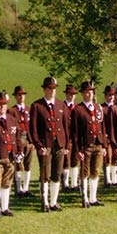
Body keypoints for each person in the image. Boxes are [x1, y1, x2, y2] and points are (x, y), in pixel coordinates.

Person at [29, 76, 69, 212]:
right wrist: (39, 146)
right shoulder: (37, 106)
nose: (52, 91)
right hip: (46, 145)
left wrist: (66, 145)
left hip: (59, 144)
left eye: (54, 88)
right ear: (44, 89)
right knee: (44, 174)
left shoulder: (60, 105)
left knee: (57, 174)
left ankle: (53, 202)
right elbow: (33, 128)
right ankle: (44, 202)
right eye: (49, 88)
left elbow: (65, 126)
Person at [69, 81, 108, 207]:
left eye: (91, 91)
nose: (89, 94)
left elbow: (103, 127)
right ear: (82, 93)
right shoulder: (78, 110)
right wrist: (78, 149)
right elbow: (74, 132)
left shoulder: (98, 108)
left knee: (95, 171)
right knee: (84, 172)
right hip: (85, 145)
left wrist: (105, 145)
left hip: (98, 144)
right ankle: (84, 197)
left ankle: (93, 198)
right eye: (86, 92)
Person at [8, 86, 34, 197]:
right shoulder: (12, 111)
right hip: (17, 139)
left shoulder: (29, 110)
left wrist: (33, 141)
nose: (21, 97)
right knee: (18, 164)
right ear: (15, 96)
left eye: (22, 95)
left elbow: (33, 125)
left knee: (28, 164)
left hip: (28, 139)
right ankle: (18, 189)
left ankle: (26, 188)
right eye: (19, 95)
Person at [62, 84, 79, 191]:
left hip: (75, 138)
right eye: (69, 94)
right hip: (65, 138)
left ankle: (74, 183)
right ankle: (65, 184)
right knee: (66, 161)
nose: (71, 96)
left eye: (73, 94)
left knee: (75, 160)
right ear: (66, 94)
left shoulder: (77, 107)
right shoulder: (62, 106)